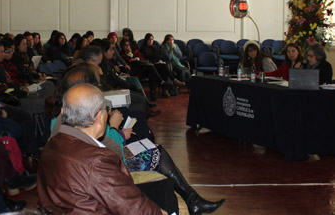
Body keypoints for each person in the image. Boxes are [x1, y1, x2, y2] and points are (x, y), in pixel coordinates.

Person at [46, 65, 226, 215]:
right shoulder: (88, 126)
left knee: (156, 152)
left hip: (91, 172)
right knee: (157, 155)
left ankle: (192, 199)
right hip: (112, 165)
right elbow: (110, 150)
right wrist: (116, 128)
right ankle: (192, 199)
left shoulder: (62, 118)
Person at [38, 83, 167, 215]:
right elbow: (134, 209)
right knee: (164, 193)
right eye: (106, 110)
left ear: (62, 112)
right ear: (99, 116)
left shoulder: (52, 144)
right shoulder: (96, 160)